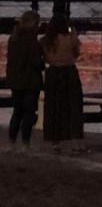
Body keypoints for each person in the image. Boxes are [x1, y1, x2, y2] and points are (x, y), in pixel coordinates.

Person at [40, 14, 84, 152]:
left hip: (52, 73)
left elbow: (44, 59)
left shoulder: (45, 41)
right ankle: (75, 142)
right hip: (69, 72)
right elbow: (76, 54)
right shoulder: (70, 39)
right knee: (73, 107)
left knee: (53, 108)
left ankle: (55, 143)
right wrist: (73, 31)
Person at [5, 11, 44, 149]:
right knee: (28, 113)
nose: (38, 26)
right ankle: (25, 142)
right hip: (30, 81)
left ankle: (11, 141)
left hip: (16, 80)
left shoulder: (13, 38)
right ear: (33, 23)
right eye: (37, 23)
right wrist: (42, 64)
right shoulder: (31, 39)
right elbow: (35, 61)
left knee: (17, 111)